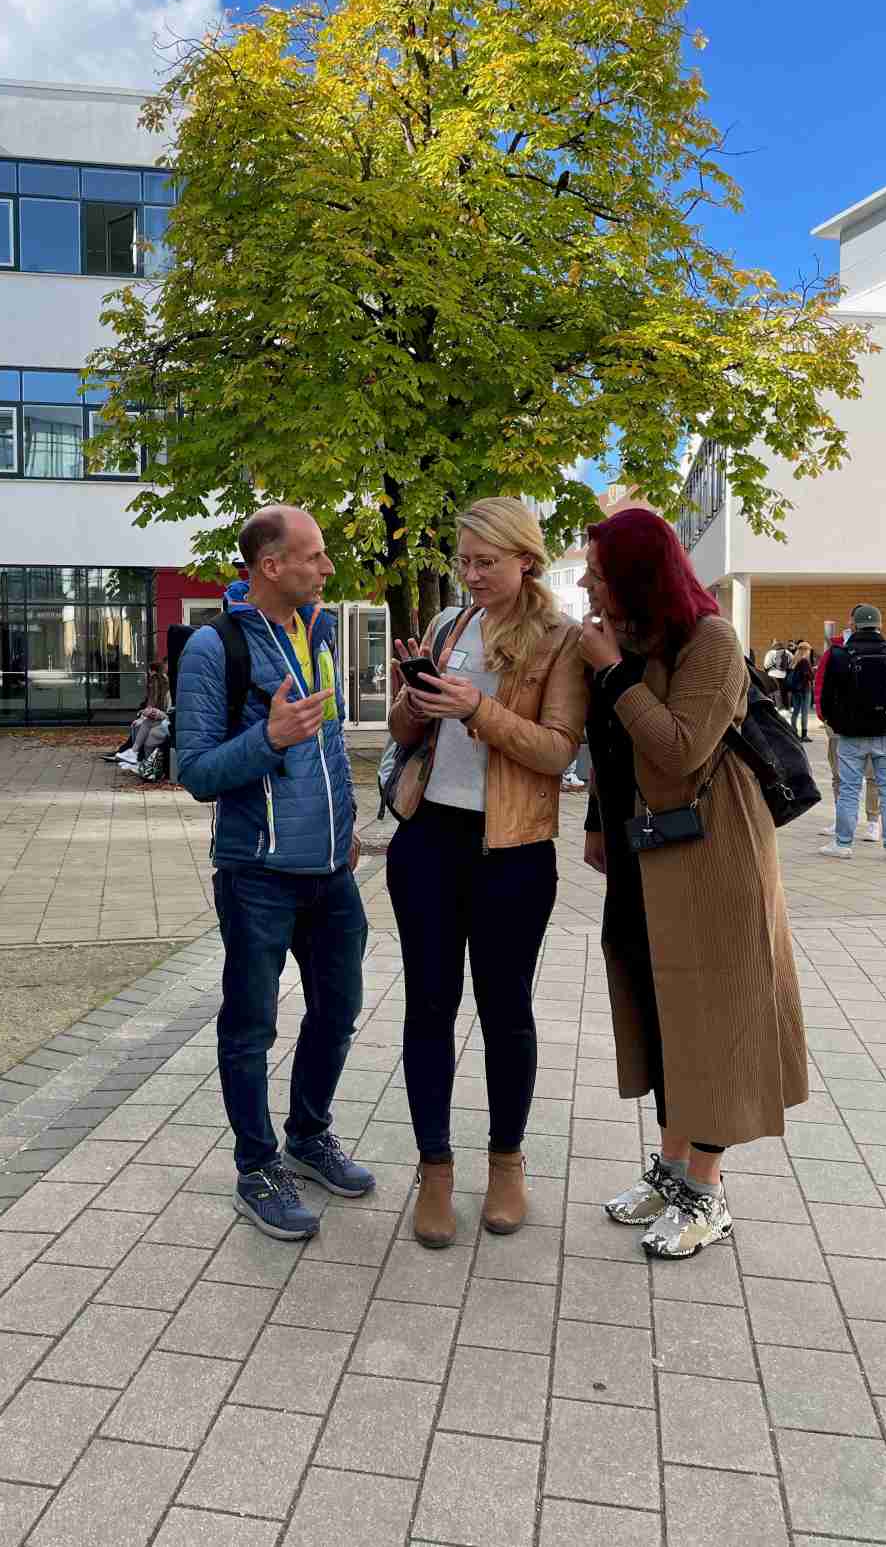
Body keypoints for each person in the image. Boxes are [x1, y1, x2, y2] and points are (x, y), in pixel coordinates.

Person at [578, 509, 808, 1260]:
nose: (585, 581)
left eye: (599, 571)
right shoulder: (631, 639)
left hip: (715, 859)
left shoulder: (711, 640)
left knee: (711, 1018)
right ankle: (672, 1169)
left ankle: (706, 1193)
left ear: (639, 577)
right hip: (646, 851)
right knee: (662, 1008)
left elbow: (679, 749)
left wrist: (613, 673)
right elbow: (608, 745)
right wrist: (595, 824)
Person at [386, 498, 587, 1248]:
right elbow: (407, 732)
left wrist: (476, 708)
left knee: (506, 1011)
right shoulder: (448, 625)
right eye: (463, 562)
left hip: (514, 849)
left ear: (525, 559)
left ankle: (506, 1161)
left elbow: (557, 750)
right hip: (430, 838)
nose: (469, 575)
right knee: (428, 1007)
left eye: (485, 563)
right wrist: (416, 696)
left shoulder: (560, 639)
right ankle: (433, 1169)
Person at [175, 505, 373, 1239]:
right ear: (270, 566)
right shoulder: (213, 646)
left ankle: (308, 1134)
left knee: (340, 1007)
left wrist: (346, 831)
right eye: (314, 556)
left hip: (330, 872)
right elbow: (194, 770)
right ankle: (257, 1167)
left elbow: (331, 747)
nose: (325, 568)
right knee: (251, 1024)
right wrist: (267, 736)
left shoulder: (317, 631)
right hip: (256, 872)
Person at [818, 603, 886, 861]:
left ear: (853, 625)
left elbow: (827, 699)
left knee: (849, 789)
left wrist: (836, 724)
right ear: (880, 625)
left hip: (851, 736)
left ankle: (843, 843)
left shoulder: (840, 655)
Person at [816, 629, 881, 842]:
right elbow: (821, 683)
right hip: (838, 723)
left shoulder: (879, 651)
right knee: (838, 774)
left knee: (872, 774)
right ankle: (842, 819)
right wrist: (823, 715)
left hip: (871, 724)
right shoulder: (835, 652)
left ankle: (873, 821)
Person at [106, 659, 172, 765]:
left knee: (144, 726)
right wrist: (147, 714)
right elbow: (154, 705)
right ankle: (133, 753)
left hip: (166, 720)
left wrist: (152, 713)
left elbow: (162, 708)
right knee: (142, 723)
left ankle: (133, 754)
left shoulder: (159, 682)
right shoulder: (161, 684)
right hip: (162, 717)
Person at [785, 642, 814, 740]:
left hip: (795, 690)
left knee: (795, 711)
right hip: (805, 689)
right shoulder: (804, 661)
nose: (809, 652)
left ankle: (794, 732)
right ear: (805, 650)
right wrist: (812, 671)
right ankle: (804, 735)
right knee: (805, 712)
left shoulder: (793, 660)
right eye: (809, 650)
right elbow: (809, 676)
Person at [763, 639, 790, 708]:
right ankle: (786, 706)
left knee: (775, 690)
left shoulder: (770, 653)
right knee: (784, 691)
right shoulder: (787, 652)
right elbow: (791, 663)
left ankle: (777, 706)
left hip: (772, 674)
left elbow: (766, 665)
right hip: (784, 675)